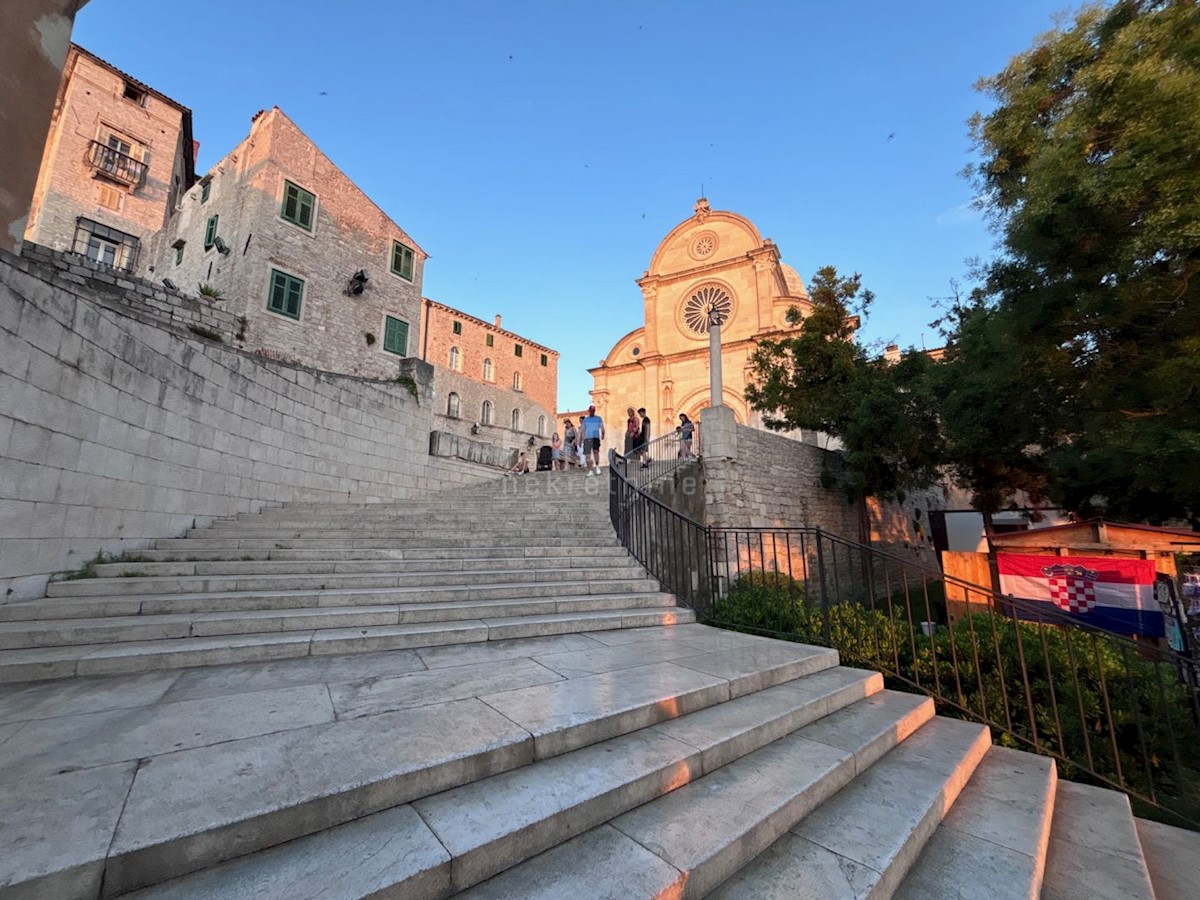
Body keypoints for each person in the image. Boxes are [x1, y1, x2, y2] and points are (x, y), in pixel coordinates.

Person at [579, 405, 605, 476]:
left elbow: (602, 427)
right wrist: (583, 438)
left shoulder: (598, 418)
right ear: (589, 411)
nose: (591, 412)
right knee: (587, 455)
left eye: (593, 411)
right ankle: (590, 470)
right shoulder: (586, 420)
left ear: (594, 411)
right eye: (590, 411)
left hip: (595, 437)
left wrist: (603, 434)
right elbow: (583, 430)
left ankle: (597, 467)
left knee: (595, 452)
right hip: (587, 438)